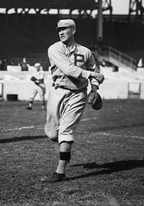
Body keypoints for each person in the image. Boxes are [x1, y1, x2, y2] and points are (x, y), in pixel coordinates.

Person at [41, 19, 104, 182]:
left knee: (66, 131)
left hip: (78, 94)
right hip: (57, 92)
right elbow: (69, 69)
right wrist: (91, 75)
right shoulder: (54, 49)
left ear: (73, 30)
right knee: (53, 134)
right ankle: (65, 151)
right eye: (59, 30)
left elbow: (94, 71)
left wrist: (95, 90)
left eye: (64, 29)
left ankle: (60, 171)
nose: (61, 32)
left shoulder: (86, 52)